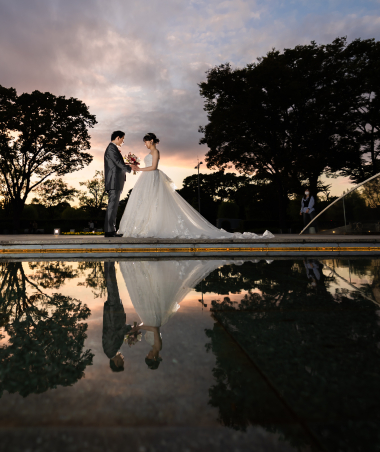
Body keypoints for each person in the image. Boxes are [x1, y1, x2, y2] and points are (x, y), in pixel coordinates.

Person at [118, 133, 273, 239]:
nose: (144, 144)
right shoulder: (150, 152)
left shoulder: (156, 151)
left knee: (156, 203)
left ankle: (151, 227)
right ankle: (142, 226)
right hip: (146, 179)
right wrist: (136, 167)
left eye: (145, 142)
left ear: (150, 141)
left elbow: (153, 168)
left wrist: (139, 168)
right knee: (145, 203)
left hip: (152, 177)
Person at [121, 260, 234, 370]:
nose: (147, 355)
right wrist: (139, 327)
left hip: (151, 319)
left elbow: (148, 325)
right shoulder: (158, 347)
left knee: (147, 295)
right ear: (154, 358)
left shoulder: (152, 346)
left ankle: (148, 266)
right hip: (154, 321)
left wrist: (135, 330)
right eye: (148, 358)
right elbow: (154, 329)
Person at [104, 131, 139, 237]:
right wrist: (130, 168)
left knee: (114, 206)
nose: (123, 141)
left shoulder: (113, 148)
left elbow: (118, 162)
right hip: (114, 180)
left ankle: (111, 230)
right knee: (112, 205)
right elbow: (118, 163)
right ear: (118, 138)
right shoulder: (111, 148)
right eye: (123, 138)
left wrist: (129, 164)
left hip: (116, 180)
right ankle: (109, 231)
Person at [102, 261, 132, 372]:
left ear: (116, 362)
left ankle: (109, 261)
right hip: (114, 311)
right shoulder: (112, 350)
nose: (123, 358)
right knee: (112, 283)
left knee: (111, 283)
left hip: (113, 312)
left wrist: (130, 329)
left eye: (122, 361)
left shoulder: (110, 350)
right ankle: (109, 262)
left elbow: (114, 331)